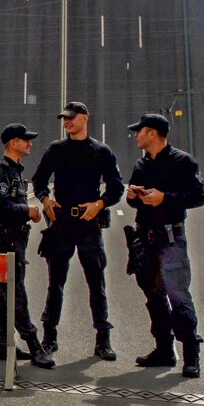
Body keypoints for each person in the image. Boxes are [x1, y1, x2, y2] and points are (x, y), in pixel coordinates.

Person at [31, 101, 125, 362]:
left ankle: (103, 341)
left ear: (85, 118)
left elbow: (117, 188)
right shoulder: (56, 149)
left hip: (88, 226)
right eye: (64, 118)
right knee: (56, 283)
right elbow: (39, 179)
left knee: (97, 283)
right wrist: (45, 198)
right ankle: (49, 338)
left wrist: (100, 203)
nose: (67, 122)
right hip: (61, 224)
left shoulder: (101, 152)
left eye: (71, 118)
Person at [124, 113, 204, 378]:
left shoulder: (183, 162)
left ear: (152, 133)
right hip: (145, 238)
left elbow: (198, 196)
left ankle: (191, 356)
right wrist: (132, 197)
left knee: (178, 297)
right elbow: (136, 203)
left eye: (139, 131)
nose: (135, 135)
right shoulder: (141, 164)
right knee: (154, 297)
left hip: (171, 239)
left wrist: (165, 198)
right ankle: (164, 350)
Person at [0, 124, 53, 368]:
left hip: (15, 241)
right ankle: (34, 345)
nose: (30, 143)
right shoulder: (1, 170)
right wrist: (30, 211)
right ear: (13, 143)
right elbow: (1, 208)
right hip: (6, 241)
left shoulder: (14, 170)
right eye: (25, 140)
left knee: (7, 295)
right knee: (16, 295)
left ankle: (4, 345)